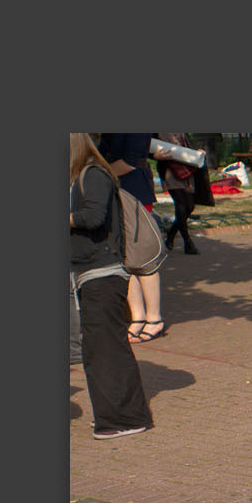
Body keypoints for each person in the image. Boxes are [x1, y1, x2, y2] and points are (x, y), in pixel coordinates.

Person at [69, 134, 153, 440]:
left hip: (102, 272)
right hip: (88, 272)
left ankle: (126, 417)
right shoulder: (79, 176)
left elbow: (93, 217)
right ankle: (116, 416)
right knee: (98, 349)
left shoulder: (93, 173)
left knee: (107, 349)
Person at [96, 133, 168, 343]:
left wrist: (98, 175)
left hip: (135, 194)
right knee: (124, 258)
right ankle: (137, 317)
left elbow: (131, 161)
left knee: (142, 258)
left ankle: (154, 318)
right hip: (113, 193)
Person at [154, 133, 204, 257]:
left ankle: (171, 234)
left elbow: (185, 144)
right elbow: (147, 148)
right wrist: (155, 156)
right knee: (181, 204)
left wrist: (196, 152)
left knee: (190, 206)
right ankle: (188, 242)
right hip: (169, 170)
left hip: (185, 168)